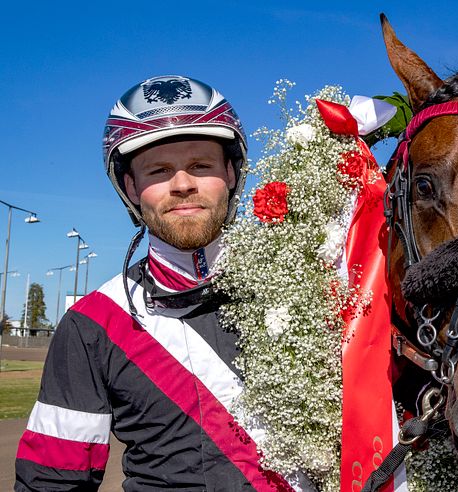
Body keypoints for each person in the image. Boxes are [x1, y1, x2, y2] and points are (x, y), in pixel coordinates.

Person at [14, 76, 309, 491]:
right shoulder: (92, 324)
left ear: (231, 173)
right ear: (131, 187)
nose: (183, 184)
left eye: (202, 166)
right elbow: (52, 483)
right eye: (159, 170)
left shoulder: (309, 289)